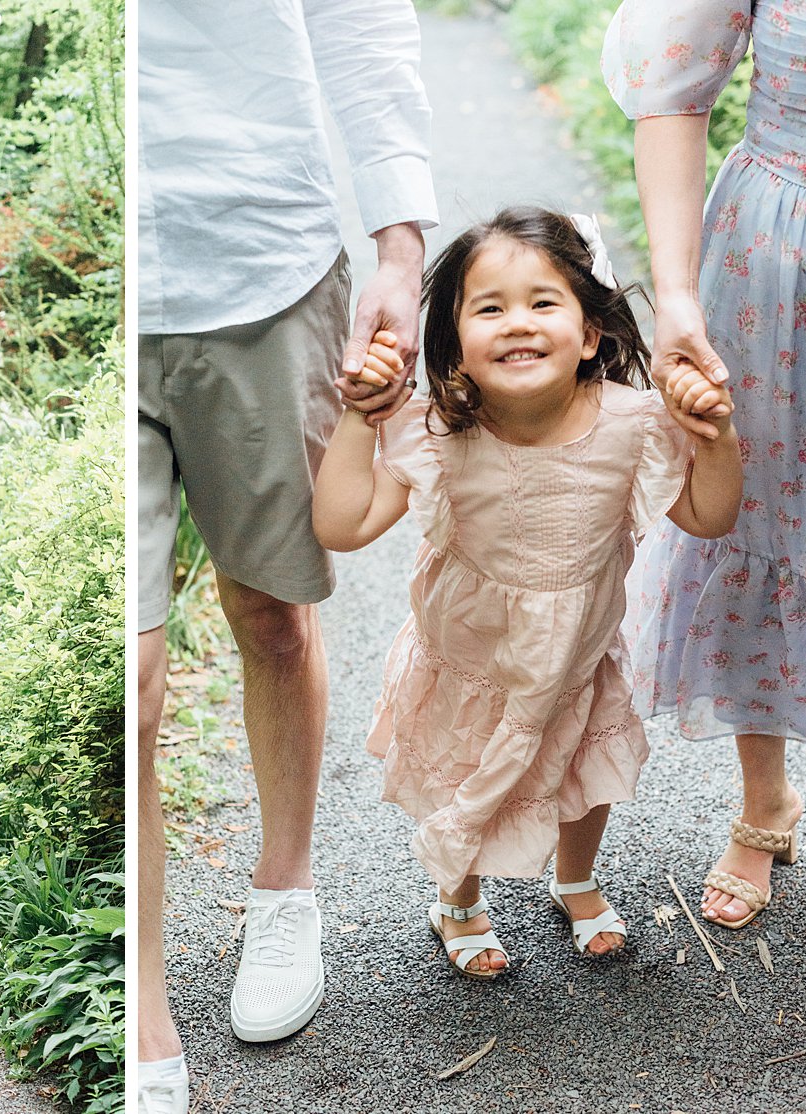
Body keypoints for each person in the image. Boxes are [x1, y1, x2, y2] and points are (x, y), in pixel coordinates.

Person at [312, 206, 743, 976]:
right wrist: (360, 416)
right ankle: (460, 899)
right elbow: (342, 525)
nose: (518, 323)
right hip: (469, 657)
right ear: (456, 345)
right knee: (459, 773)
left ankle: (574, 878)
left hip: (576, 654)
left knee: (583, 771)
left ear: (591, 334)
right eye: (490, 308)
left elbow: (710, 516)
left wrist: (715, 436)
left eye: (543, 302)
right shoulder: (443, 429)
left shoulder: (635, 425)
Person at [137, 1, 436, 1107]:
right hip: (118, 278)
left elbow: (361, 21)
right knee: (139, 682)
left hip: (260, 256)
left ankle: (284, 888)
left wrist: (399, 246)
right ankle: (146, 999)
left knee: (269, 611)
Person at [602, 0, 806, 926]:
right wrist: (675, 292)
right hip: (783, 267)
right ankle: (766, 802)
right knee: (769, 514)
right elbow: (674, 90)